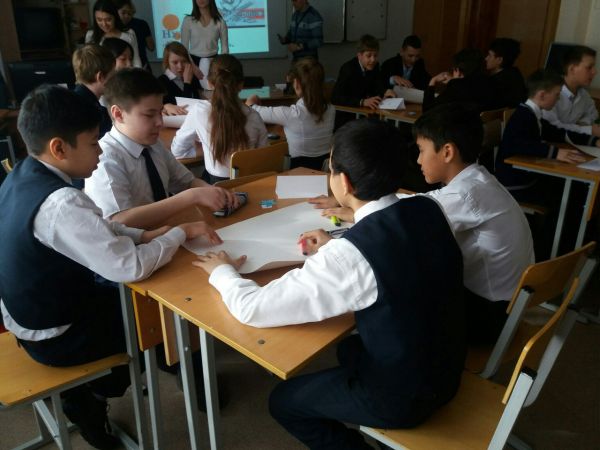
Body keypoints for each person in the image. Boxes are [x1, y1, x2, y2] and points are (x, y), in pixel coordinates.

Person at [194, 119, 466, 448]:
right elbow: (398, 251)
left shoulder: (351, 255)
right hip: (448, 366)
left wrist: (222, 272)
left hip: (405, 397)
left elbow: (253, 308)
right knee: (347, 349)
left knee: (283, 402)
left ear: (344, 182)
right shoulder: (427, 206)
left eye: (331, 167)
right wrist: (336, 245)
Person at [0, 85, 219, 449]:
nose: (100, 150)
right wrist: (179, 233)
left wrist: (144, 235)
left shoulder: (23, 173)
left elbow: (95, 227)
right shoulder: (61, 202)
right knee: (155, 320)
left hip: (26, 312)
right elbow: (130, 267)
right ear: (59, 148)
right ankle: (91, 398)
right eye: (92, 143)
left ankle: (169, 366)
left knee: (142, 307)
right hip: (55, 336)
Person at [312, 104, 534, 344]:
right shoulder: (479, 180)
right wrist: (353, 206)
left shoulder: (465, 196)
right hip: (506, 306)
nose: (418, 160)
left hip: (487, 316)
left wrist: (347, 217)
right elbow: (420, 202)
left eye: (421, 150)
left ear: (447, 152)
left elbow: (402, 218)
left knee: (392, 274)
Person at [85, 68, 238, 230]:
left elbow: (187, 182)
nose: (160, 122)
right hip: (138, 242)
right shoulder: (105, 159)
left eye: (160, 112)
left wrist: (214, 192)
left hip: (168, 233)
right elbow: (118, 221)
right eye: (149, 115)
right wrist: (191, 197)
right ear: (118, 114)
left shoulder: (154, 144)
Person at [497, 69, 598, 198]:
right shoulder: (523, 116)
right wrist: (555, 153)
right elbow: (519, 145)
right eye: (557, 95)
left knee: (575, 188)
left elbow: (559, 134)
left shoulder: (534, 114)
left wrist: (594, 141)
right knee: (574, 192)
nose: (558, 99)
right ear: (542, 95)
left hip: (527, 176)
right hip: (515, 184)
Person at [171, 55, 268, 183]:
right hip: (249, 183)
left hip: (216, 186)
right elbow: (264, 156)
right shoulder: (254, 116)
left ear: (209, 83)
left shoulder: (199, 111)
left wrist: (206, 148)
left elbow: (177, 151)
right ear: (241, 85)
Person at [245, 58, 334, 170]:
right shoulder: (331, 109)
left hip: (295, 171)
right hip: (323, 171)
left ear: (297, 84)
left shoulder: (292, 114)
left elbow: (251, 109)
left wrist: (252, 99)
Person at [331, 34, 395, 129]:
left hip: (365, 114)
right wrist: (362, 102)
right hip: (348, 116)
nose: (373, 60)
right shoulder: (348, 69)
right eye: (368, 56)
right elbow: (336, 97)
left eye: (375, 55)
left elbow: (376, 85)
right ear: (359, 55)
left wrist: (384, 92)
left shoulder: (375, 66)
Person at [542, 45, 600, 137]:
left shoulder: (584, 94)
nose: (595, 72)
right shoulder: (550, 92)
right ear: (572, 69)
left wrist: (584, 122)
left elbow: (593, 114)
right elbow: (552, 127)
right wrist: (587, 130)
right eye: (589, 67)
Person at [423, 48, 496, 112]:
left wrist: (433, 81)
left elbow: (428, 110)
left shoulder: (456, 87)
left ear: (458, 71)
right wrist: (453, 82)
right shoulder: (489, 82)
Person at [181, 0, 229, 90]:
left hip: (214, 63)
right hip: (193, 63)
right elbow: (183, 48)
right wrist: (193, 67)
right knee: (194, 94)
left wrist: (219, 68)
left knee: (213, 94)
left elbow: (225, 50)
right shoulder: (188, 20)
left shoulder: (220, 21)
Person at [71, 44, 114, 139]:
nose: (115, 79)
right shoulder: (92, 112)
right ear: (100, 77)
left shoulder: (72, 98)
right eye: (113, 74)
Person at [85, 0, 142, 68]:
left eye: (108, 20)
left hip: (125, 73)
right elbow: (89, 63)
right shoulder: (90, 35)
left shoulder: (129, 34)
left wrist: (137, 74)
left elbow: (136, 61)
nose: (104, 24)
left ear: (115, 17)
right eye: (99, 20)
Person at [157, 41, 202, 116]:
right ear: (167, 62)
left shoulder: (191, 76)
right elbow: (184, 107)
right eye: (175, 62)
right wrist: (187, 83)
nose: (180, 67)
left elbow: (197, 101)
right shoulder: (161, 82)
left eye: (184, 61)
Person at [485, 37, 527, 108]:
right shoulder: (516, 74)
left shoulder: (494, 82)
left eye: (489, 55)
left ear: (499, 60)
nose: (486, 58)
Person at [114, 0, 155, 72]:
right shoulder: (112, 27)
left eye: (130, 13)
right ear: (115, 12)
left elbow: (151, 47)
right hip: (120, 69)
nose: (126, 16)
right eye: (123, 13)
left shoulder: (141, 24)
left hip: (142, 65)